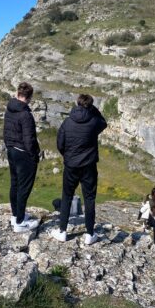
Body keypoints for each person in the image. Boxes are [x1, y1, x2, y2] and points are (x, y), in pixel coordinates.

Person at [51, 94, 107, 245]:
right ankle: (89, 234)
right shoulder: (94, 122)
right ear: (90, 105)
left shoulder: (67, 123)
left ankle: (62, 231)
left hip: (71, 165)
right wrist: (93, 109)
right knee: (89, 198)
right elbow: (104, 123)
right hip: (89, 166)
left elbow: (60, 144)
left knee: (67, 195)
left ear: (77, 104)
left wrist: (68, 156)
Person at [3, 82, 41, 233]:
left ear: (17, 94)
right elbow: (29, 140)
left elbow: (6, 131)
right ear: (30, 97)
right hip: (23, 153)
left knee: (15, 183)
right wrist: (35, 155)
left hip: (11, 150)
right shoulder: (25, 115)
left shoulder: (9, 109)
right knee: (24, 188)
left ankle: (15, 215)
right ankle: (20, 222)